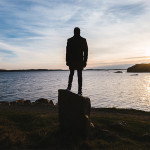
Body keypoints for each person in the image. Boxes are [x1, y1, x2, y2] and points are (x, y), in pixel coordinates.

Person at [66, 27, 88, 95]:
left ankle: (75, 89)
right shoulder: (80, 40)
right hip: (77, 61)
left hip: (76, 61)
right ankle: (76, 89)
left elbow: (86, 51)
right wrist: (85, 61)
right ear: (79, 32)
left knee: (75, 75)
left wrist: (85, 61)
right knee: (75, 75)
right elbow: (68, 51)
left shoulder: (71, 40)